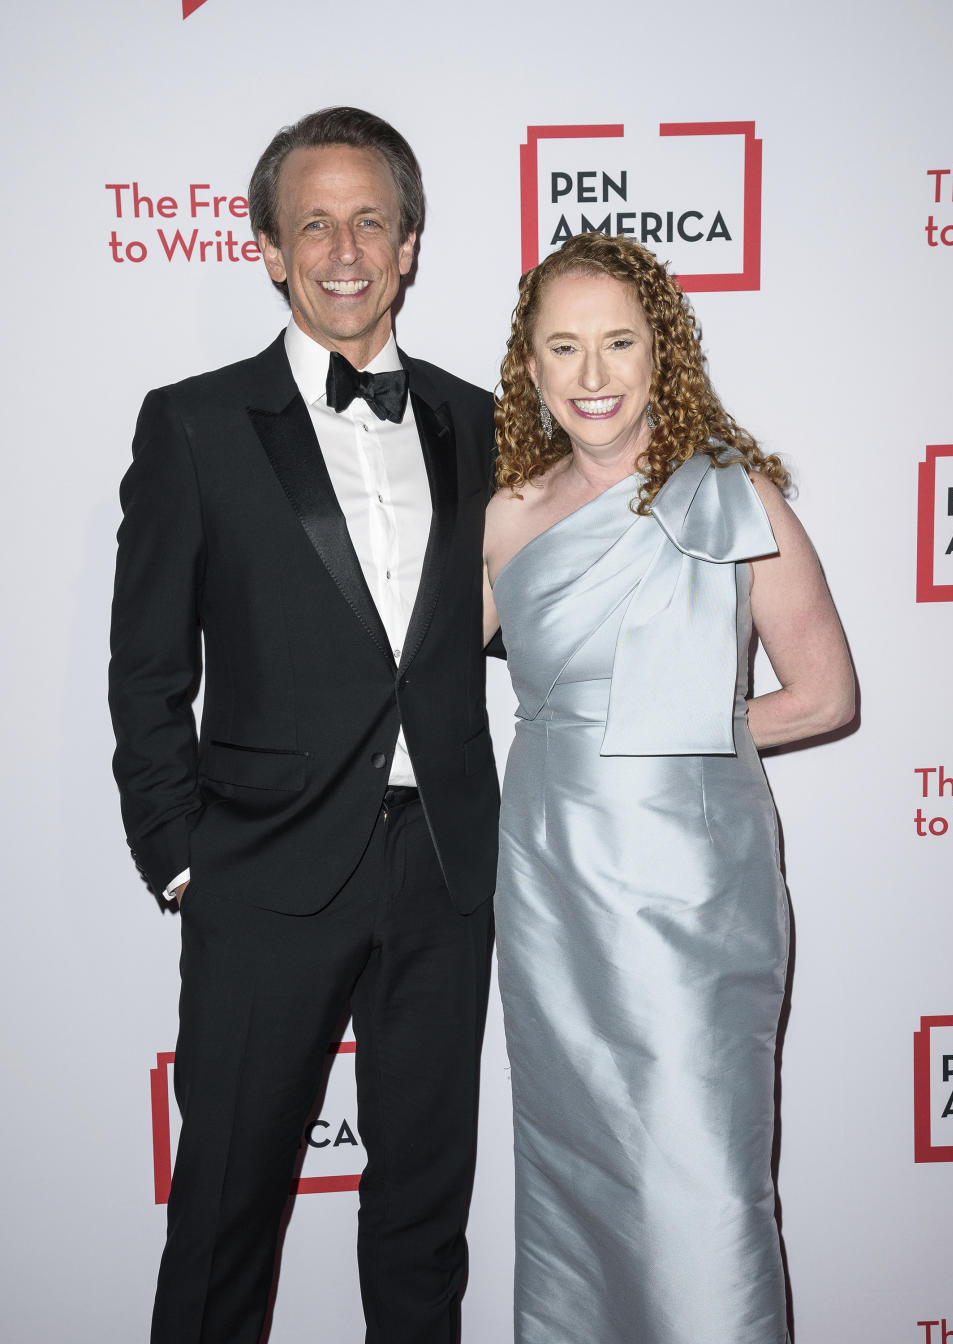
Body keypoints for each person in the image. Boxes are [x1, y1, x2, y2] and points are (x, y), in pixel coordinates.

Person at [109, 106, 499, 1344]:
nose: (345, 248)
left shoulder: (482, 421)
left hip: (443, 873)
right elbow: (148, 667)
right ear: (269, 248)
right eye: (314, 223)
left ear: (412, 243)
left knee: (424, 1221)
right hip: (261, 872)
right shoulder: (194, 424)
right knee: (224, 1217)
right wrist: (185, 862)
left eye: (371, 220)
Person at [482, 231, 855, 1344]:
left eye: (617, 344)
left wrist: (683, 720)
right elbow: (411, 690)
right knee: (575, 1177)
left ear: (661, 354)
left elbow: (825, 694)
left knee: (702, 1180)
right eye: (564, 348)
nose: (592, 376)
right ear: (532, 369)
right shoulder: (505, 516)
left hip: (696, 891)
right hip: (552, 888)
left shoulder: (733, 499)